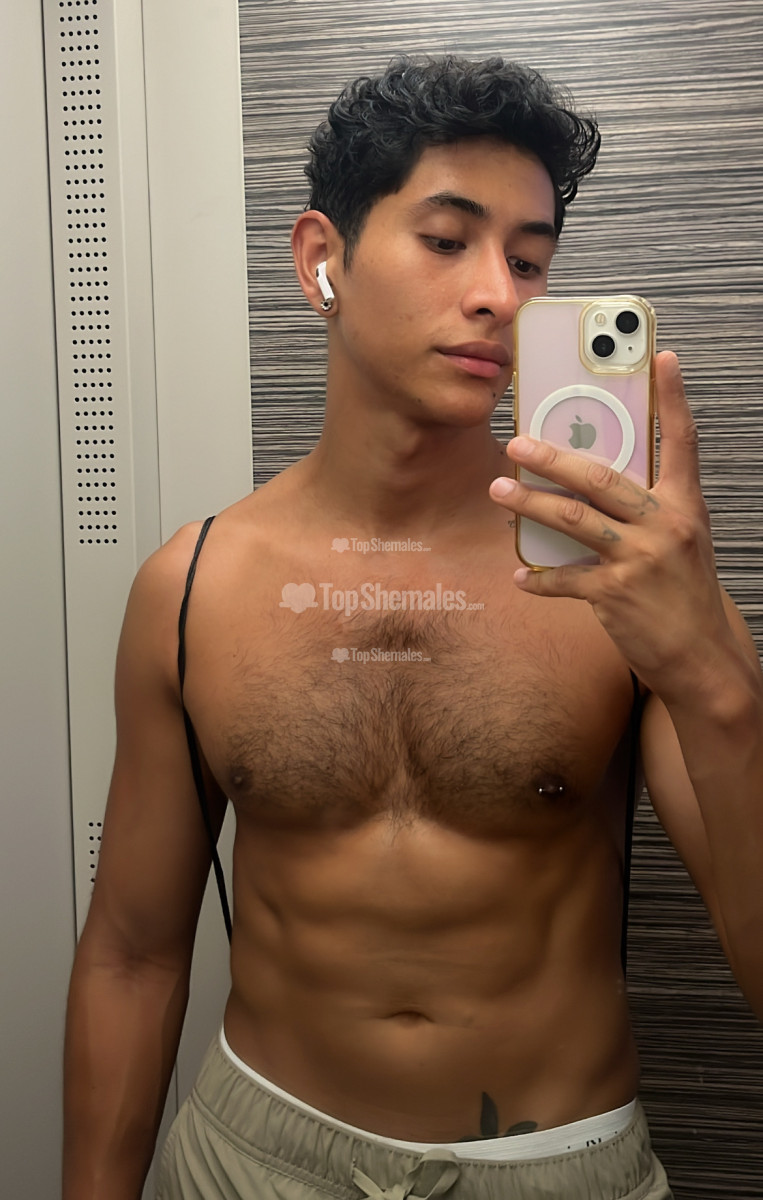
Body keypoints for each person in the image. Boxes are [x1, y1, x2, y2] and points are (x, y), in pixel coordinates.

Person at [62, 54, 763, 1200]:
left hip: (553, 1168)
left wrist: (718, 680)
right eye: (446, 239)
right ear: (322, 258)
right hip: (250, 1159)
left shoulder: (620, 583)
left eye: (528, 260)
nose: (500, 294)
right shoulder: (189, 589)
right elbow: (132, 955)